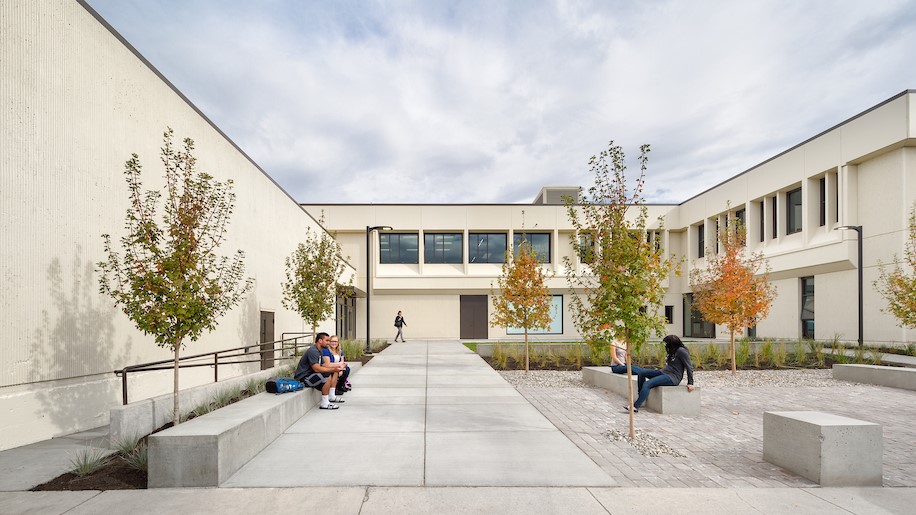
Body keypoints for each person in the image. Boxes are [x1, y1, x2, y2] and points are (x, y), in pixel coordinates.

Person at [626, 334, 695, 413]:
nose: (665, 346)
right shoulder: (672, 351)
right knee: (641, 372)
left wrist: (690, 382)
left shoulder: (681, 351)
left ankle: (635, 406)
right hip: (664, 372)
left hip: (673, 377)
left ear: (671, 344)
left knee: (647, 384)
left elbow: (689, 367)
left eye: (666, 344)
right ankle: (641, 396)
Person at [294, 332, 346, 410]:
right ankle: (324, 403)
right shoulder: (313, 351)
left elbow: (324, 365)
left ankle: (331, 396)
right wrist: (333, 369)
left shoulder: (320, 350)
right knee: (327, 374)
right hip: (303, 378)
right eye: (327, 340)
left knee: (334, 371)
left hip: (312, 375)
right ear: (320, 341)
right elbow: (316, 368)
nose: (329, 343)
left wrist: (338, 366)